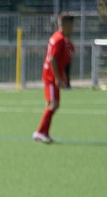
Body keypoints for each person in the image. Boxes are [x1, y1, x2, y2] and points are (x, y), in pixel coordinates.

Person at [33, 12, 74, 144]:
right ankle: (39, 132)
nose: (73, 28)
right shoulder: (59, 39)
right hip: (50, 77)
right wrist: (58, 78)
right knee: (54, 104)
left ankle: (44, 133)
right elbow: (52, 59)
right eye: (72, 25)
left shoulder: (58, 37)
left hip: (51, 75)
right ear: (66, 25)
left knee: (51, 104)